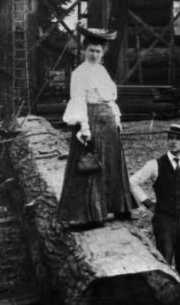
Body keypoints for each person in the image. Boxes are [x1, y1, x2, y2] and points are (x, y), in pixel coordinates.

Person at [57, 26, 136, 228]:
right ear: (84, 51)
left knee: (112, 163)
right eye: (91, 50)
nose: (94, 54)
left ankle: (118, 207)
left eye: (98, 51)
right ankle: (87, 215)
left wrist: (116, 119)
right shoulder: (79, 73)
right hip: (90, 120)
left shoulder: (102, 70)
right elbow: (78, 100)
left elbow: (110, 99)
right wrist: (84, 127)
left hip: (108, 122)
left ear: (103, 53)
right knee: (89, 165)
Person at [129, 124, 180, 287]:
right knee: (164, 257)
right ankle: (165, 290)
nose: (173, 142)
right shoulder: (155, 165)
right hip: (164, 219)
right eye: (170, 138)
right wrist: (148, 204)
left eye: (178, 139)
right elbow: (133, 182)